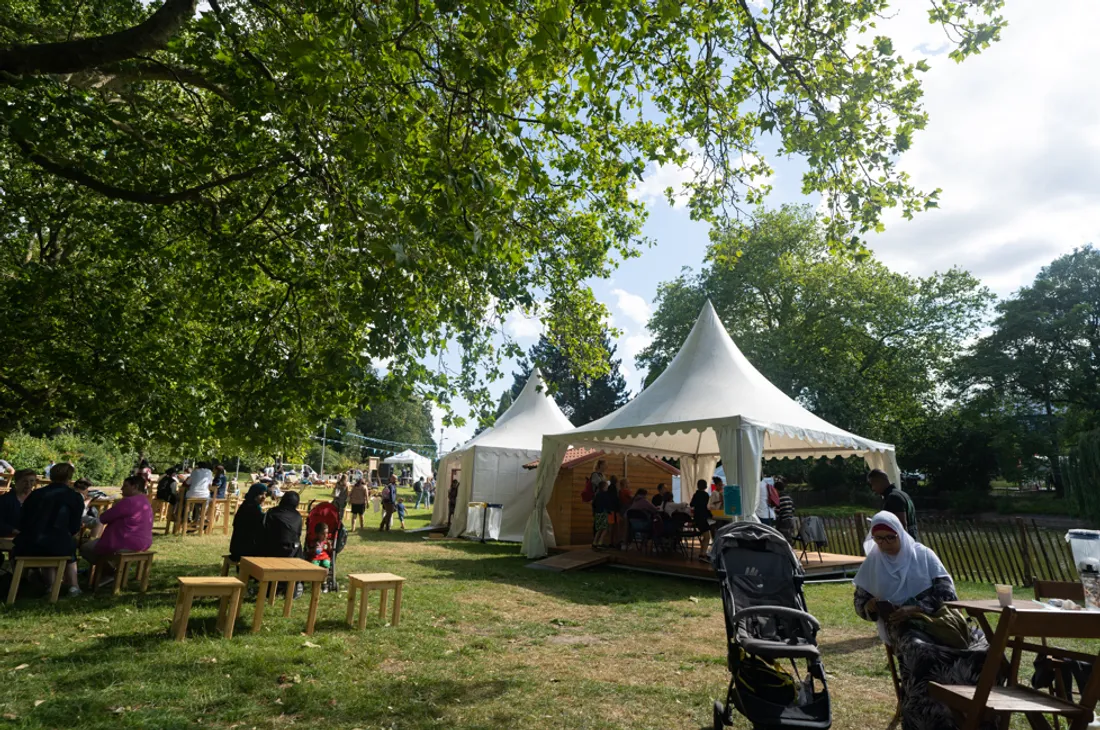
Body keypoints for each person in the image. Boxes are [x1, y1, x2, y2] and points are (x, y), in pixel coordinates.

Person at [854, 512, 983, 730]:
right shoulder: (873, 563)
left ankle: (976, 713)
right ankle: (928, 719)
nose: (885, 544)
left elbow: (948, 595)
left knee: (983, 647)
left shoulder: (923, 555)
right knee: (921, 652)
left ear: (900, 535)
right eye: (879, 539)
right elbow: (860, 602)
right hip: (903, 628)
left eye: (890, 537)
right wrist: (870, 606)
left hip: (940, 621)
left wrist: (916, 608)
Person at [12, 462, 85, 597]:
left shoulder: (36, 494)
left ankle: (51, 585)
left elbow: (23, 521)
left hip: (30, 543)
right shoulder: (74, 497)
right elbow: (74, 527)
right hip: (58, 544)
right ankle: (74, 586)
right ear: (69, 477)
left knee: (51, 540)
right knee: (66, 543)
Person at [80, 476, 153, 587]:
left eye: (125, 486)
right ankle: (109, 574)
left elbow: (104, 518)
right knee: (94, 546)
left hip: (125, 541)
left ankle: (110, 574)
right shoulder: (145, 501)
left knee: (86, 548)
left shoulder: (128, 501)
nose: (122, 488)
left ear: (135, 487)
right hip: (144, 541)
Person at [868, 469, 919, 541]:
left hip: (903, 543)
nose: (873, 488)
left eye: (873, 484)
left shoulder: (893, 497)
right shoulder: (902, 494)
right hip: (912, 538)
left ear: (880, 481)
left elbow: (902, 524)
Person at [229, 483, 268, 562]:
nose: (264, 497)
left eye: (265, 494)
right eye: (261, 494)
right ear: (254, 494)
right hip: (245, 551)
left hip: (236, 549)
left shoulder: (246, 505)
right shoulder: (252, 509)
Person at [0, 469, 36, 538]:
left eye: (31, 481)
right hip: (7, 537)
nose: (28, 484)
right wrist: (12, 530)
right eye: (24, 481)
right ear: (17, 482)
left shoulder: (39, 499)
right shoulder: (5, 499)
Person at [690, 479, 714, 562]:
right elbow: (704, 507)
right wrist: (711, 515)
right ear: (705, 486)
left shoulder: (695, 494)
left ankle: (702, 553)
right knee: (707, 537)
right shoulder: (705, 495)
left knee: (705, 536)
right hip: (702, 518)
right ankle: (702, 555)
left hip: (697, 517)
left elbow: (691, 504)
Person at [591, 481, 613, 549]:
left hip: (597, 512)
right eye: (606, 486)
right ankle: (600, 542)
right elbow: (607, 504)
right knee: (605, 528)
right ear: (604, 487)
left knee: (599, 529)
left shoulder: (597, 494)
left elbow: (593, 504)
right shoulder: (605, 494)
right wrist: (610, 511)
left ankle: (594, 542)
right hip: (604, 512)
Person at [775, 478, 796, 542]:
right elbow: (793, 509)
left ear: (776, 489)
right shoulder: (789, 497)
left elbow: (778, 511)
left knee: (783, 538)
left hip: (784, 521)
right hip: (791, 519)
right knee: (789, 537)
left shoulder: (779, 498)